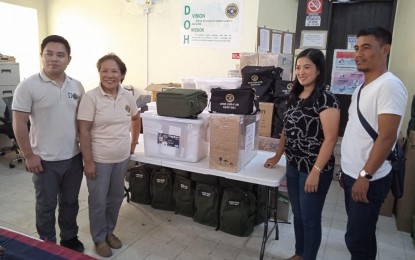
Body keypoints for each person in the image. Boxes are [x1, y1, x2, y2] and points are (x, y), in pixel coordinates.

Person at [265, 48, 340, 260]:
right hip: (294, 165)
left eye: (307, 67)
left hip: (314, 169)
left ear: (318, 70)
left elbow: (331, 138)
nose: (301, 72)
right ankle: (299, 253)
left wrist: (315, 171)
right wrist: (278, 155)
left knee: (310, 218)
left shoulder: (327, 99)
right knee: (298, 215)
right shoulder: (294, 96)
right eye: (298, 67)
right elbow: (286, 130)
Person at [12, 35, 85, 252]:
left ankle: (69, 238)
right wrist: (28, 155)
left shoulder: (77, 86)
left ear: (68, 59)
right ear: (42, 56)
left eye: (60, 55)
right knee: (46, 206)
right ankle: (47, 243)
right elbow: (19, 123)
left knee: (71, 203)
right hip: (44, 160)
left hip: (73, 157)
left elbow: (83, 122)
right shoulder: (28, 86)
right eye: (49, 54)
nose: (54, 59)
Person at [340, 27, 407, 260]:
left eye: (366, 47)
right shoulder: (362, 87)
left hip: (370, 178)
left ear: (385, 49)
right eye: (357, 48)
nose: (359, 53)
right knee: (363, 236)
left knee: (356, 239)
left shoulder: (389, 85)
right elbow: (356, 132)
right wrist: (347, 170)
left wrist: (365, 176)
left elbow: (387, 136)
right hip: (354, 174)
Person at [77, 53, 141, 258]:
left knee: (115, 198)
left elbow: (136, 117)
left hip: (121, 158)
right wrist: (88, 161)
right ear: (99, 73)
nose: (109, 75)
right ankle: (99, 238)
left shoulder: (126, 95)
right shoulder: (91, 97)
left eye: (114, 71)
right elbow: (84, 131)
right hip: (99, 160)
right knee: (98, 200)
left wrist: (133, 144)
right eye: (104, 70)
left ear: (121, 74)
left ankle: (109, 231)